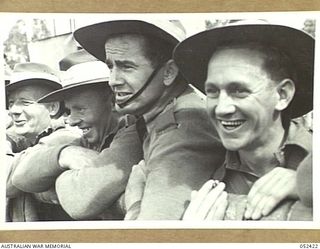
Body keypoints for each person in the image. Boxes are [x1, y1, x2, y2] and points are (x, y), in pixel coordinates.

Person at [74, 20, 225, 219]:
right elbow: (77, 200)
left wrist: (135, 202)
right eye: (110, 67)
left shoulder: (185, 128)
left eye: (127, 67)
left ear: (169, 72)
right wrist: (65, 153)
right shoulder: (152, 116)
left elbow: (154, 236)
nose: (112, 81)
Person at [173, 22, 313, 220]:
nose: (222, 108)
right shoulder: (200, 170)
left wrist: (306, 184)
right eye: (212, 92)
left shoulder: (312, 160)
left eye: (239, 91)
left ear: (282, 95)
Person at [11, 50, 143, 220]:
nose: (71, 121)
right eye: (69, 110)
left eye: (80, 109)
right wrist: (63, 155)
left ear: (113, 102)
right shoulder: (85, 141)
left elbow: (79, 202)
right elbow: (20, 178)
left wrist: (56, 178)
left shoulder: (133, 136)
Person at [6, 62, 75, 221]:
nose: (14, 111)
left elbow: (6, 181)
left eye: (25, 102)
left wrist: (6, 138)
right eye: (11, 103)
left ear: (52, 108)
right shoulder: (28, 141)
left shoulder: (66, 137)